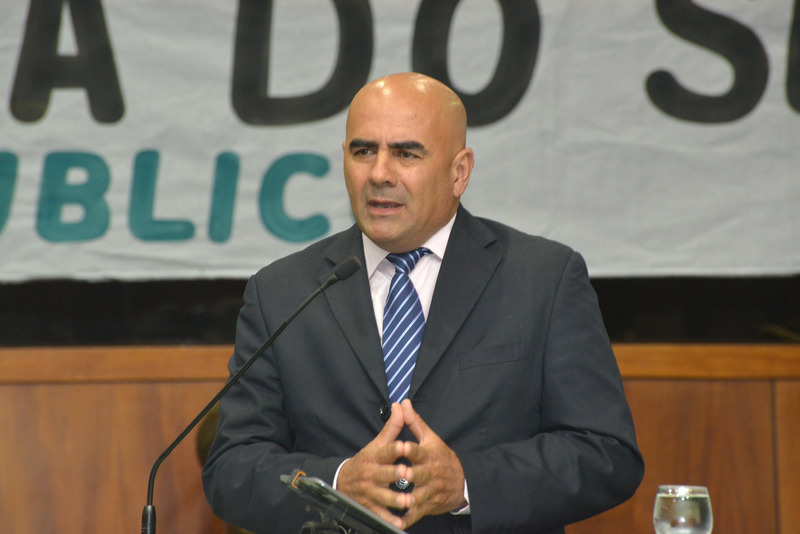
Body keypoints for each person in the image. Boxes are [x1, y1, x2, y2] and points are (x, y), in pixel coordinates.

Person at [202, 72, 644, 534]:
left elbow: (606, 453)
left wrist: (468, 483)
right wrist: (338, 483)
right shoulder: (281, 292)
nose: (379, 174)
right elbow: (231, 468)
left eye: (406, 153)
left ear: (459, 172)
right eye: (363, 151)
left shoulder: (543, 279)